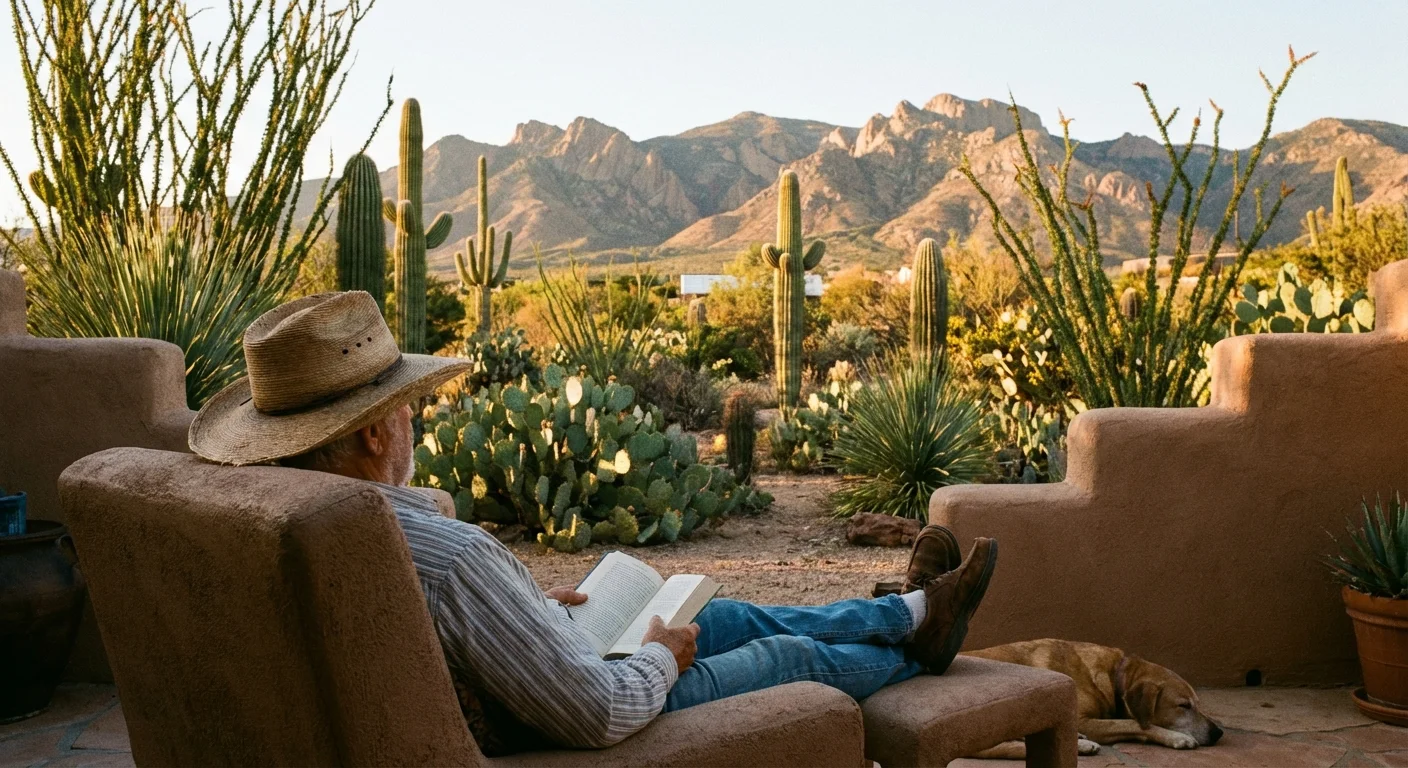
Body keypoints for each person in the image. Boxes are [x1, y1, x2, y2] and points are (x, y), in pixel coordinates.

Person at [188, 291, 997, 754]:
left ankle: (911, 613)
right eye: (405, 411)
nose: (412, 425)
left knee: (728, 613)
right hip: (577, 718)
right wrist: (655, 659)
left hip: (528, 673)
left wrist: (531, 612)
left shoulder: (278, 524)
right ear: (373, 434)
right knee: (778, 651)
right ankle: (917, 658)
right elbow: (596, 713)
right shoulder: (448, 555)